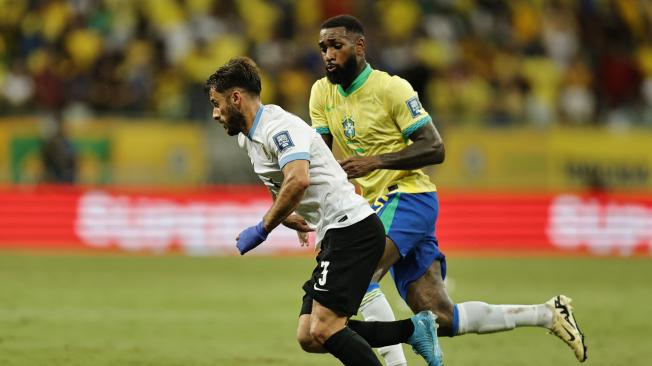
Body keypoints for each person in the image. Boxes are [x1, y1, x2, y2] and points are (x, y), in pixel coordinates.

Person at [309, 14, 588, 365]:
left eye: (336, 45)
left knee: (357, 278)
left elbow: (435, 147)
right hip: (374, 209)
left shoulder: (391, 89)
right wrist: (318, 215)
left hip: (407, 197)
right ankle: (548, 314)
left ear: (359, 46)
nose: (328, 55)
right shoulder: (322, 92)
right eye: (323, 48)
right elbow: (321, 161)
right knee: (440, 316)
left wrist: (376, 161)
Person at [205, 56, 443, 366]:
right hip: (337, 232)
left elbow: (298, 179)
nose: (214, 113)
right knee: (309, 335)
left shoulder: (279, 128)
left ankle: (412, 332)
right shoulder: (250, 137)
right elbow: (283, 183)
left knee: (325, 329)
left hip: (352, 230)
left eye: (217, 103)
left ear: (236, 98)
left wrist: (263, 228)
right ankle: (413, 329)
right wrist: (289, 214)